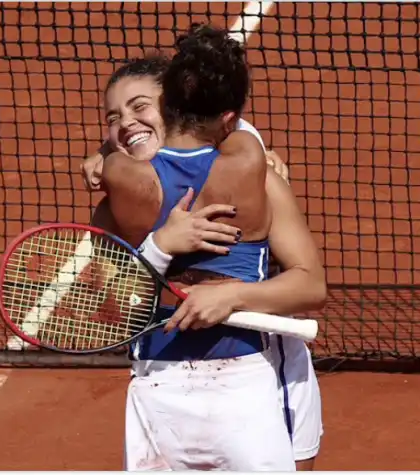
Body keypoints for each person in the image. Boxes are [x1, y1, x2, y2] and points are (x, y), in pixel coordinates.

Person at [87, 25, 326, 471]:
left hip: (266, 374)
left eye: (140, 108)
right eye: (112, 119)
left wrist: (229, 295)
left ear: (173, 103)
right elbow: (110, 313)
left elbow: (309, 284)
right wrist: (159, 247)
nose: (126, 124)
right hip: (159, 385)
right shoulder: (115, 201)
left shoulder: (256, 172)